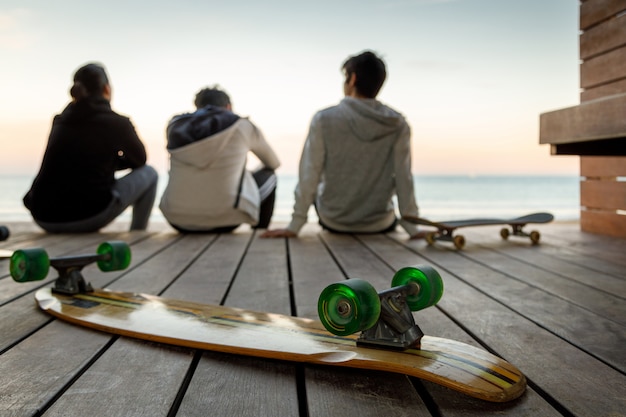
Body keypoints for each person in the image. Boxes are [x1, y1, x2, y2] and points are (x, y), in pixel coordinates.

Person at [262, 50, 425, 239]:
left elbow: (310, 174)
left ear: (353, 79)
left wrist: (295, 225)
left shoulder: (324, 119)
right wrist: (413, 227)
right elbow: (403, 177)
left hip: (334, 221)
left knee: (316, 177)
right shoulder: (398, 123)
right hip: (379, 223)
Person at [23, 63, 158, 233]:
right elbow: (140, 161)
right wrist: (112, 160)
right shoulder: (117, 123)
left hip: (43, 217)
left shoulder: (60, 120)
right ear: (106, 89)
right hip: (88, 216)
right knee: (150, 173)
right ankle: (138, 233)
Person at [159, 86, 280, 233]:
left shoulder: (175, 126)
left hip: (177, 220)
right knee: (269, 174)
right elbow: (274, 163)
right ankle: (259, 232)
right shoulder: (243, 125)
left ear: (197, 107)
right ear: (228, 107)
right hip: (227, 220)